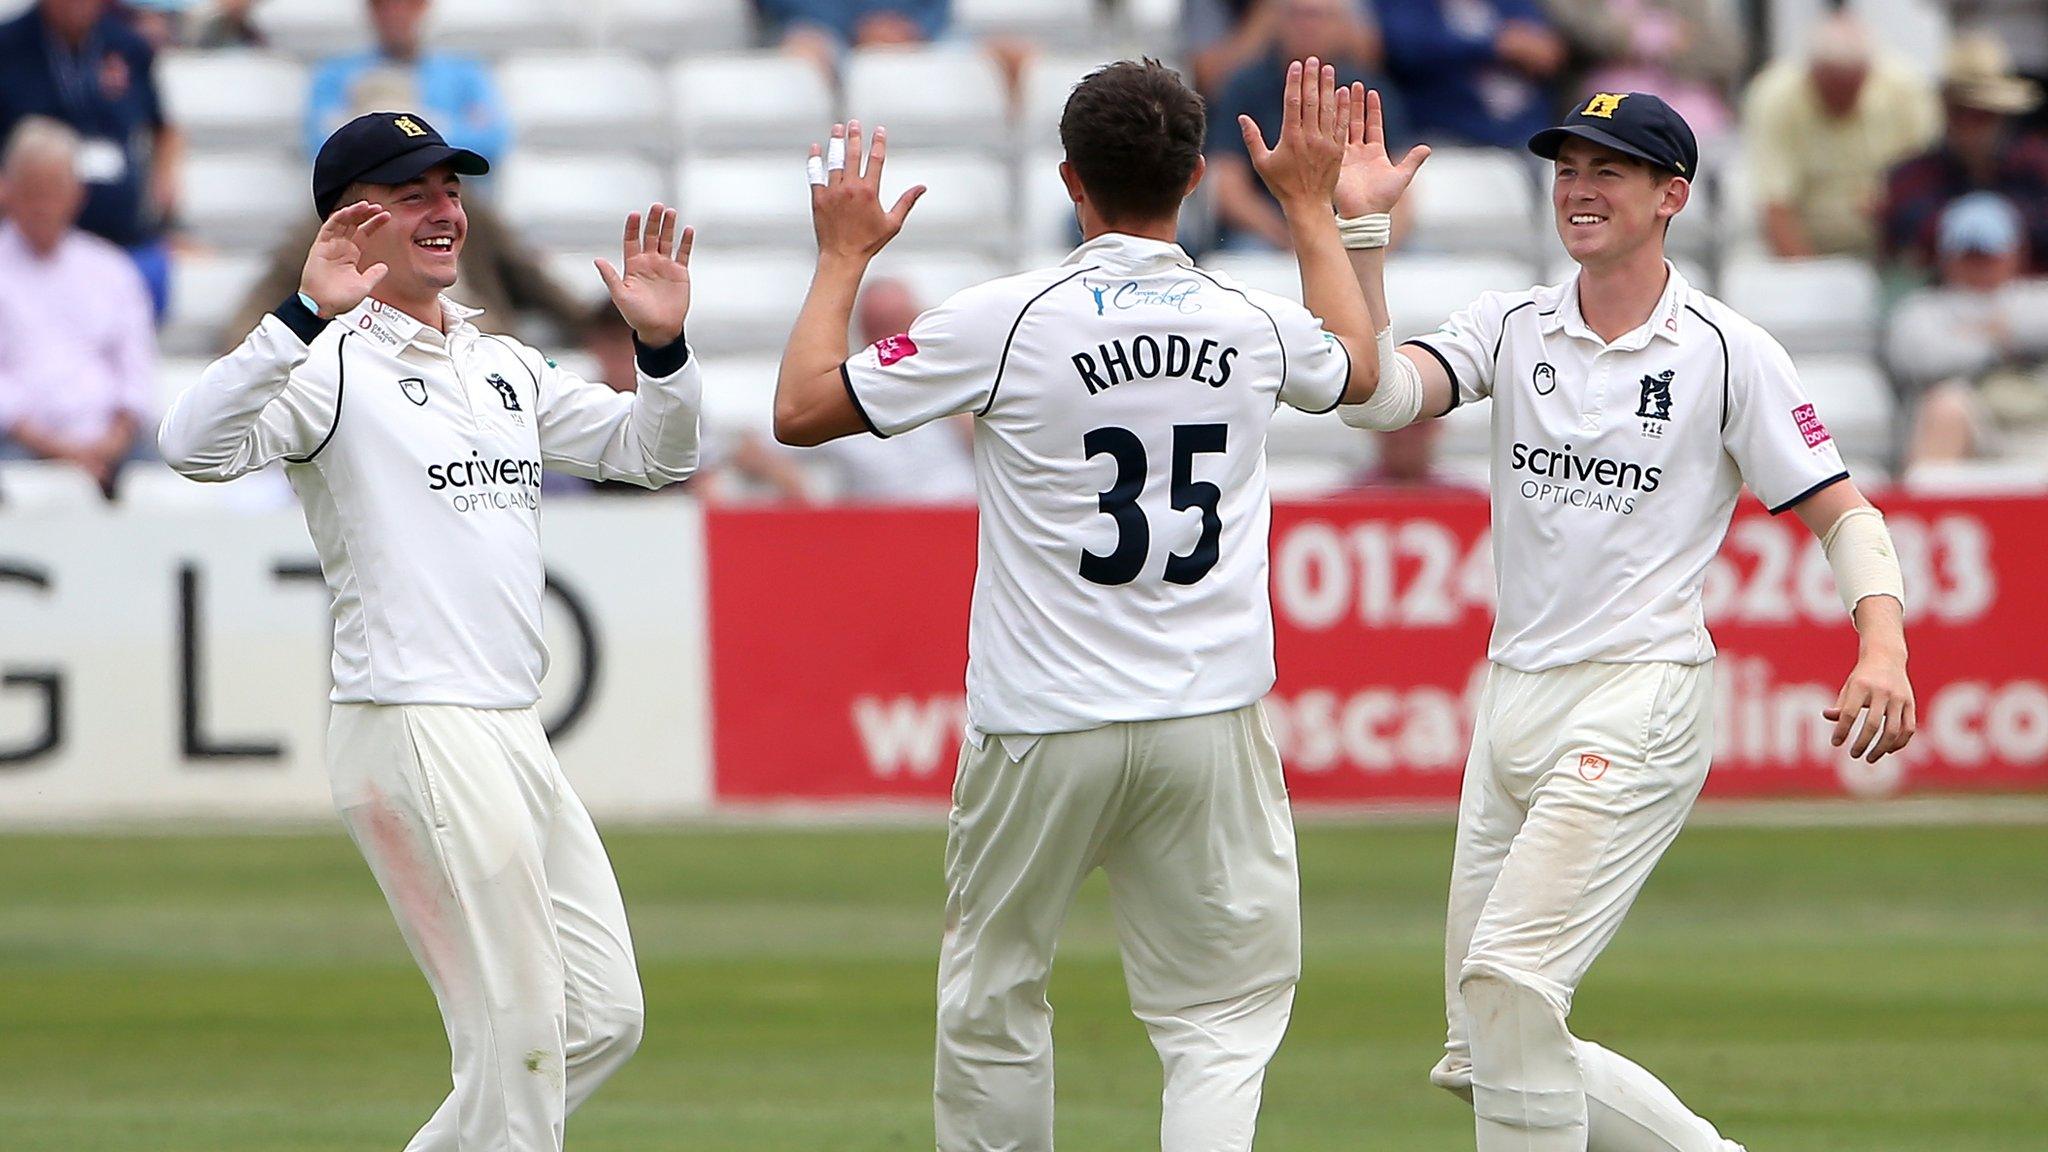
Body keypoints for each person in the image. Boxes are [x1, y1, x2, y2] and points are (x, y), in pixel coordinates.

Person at [773, 58, 1404, 1150]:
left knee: (995, 994)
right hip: (1209, 716)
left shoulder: (1007, 318)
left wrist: (840, 258)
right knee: (1217, 1017)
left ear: (1071, 180)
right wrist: (1311, 208)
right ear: (1199, 177)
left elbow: (801, 410)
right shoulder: (1245, 319)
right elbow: (1355, 365)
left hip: (1042, 723)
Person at [1336, 89, 1915, 1152]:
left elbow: (1842, 511)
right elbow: (1377, 400)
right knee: (1480, 1049)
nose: (1578, 189)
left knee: (1510, 986)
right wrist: (1360, 237)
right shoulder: (1509, 324)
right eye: (1565, 169)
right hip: (1511, 698)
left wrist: (1880, 642)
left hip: (1638, 694)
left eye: (1607, 170)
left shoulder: (1726, 349)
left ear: (1670, 197)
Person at [157, 111, 705, 1151]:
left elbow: (656, 453)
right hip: (412, 718)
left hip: (509, 726)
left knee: (598, 1017)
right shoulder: (325, 364)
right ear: (352, 222)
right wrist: (297, 318)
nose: (446, 213)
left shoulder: (499, 365)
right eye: (415, 195)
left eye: (450, 191)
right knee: (520, 1032)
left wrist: (662, 348)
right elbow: (190, 444)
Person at [0, 115, 156, 496]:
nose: (43, 206)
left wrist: (113, 440)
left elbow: (136, 369)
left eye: (54, 190)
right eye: (33, 191)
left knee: (176, 466)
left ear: (77, 194)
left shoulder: (111, 268)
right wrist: (59, 450)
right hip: (18, 445)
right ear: (9, 191)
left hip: (116, 446)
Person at [218, 195, 586, 356]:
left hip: (479, 345)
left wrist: (600, 327)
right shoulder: (322, 229)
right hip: (374, 358)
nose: (443, 209)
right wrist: (251, 351)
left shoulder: (468, 211)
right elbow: (267, 294)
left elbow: (527, 274)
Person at [0, 0, 182, 319]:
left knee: (151, 274)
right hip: (33, 234)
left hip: (118, 231)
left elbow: (162, 127)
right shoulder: (8, 47)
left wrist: (165, 183)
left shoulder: (127, 45)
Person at [1206, 0, 1404, 250]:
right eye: (1297, 15)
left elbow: (1399, 187)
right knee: (1247, 252)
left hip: (1350, 228)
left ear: (1341, 25)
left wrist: (1370, 239)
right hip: (1269, 233)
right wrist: (1290, 236)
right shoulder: (1243, 86)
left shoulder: (1369, 90)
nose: (1308, 25)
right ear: (1276, 22)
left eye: (1319, 16)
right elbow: (1227, 185)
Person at [1740, 11, 1939, 260]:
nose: (1841, 100)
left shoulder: (1906, 89)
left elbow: (1926, 178)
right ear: (1813, 73)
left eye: (1851, 88)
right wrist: (1812, 277)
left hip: (1892, 248)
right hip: (1808, 246)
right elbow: (1774, 204)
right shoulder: (1774, 97)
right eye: (1832, 88)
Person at [1892, 192, 2048, 467]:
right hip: (1979, 426)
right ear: (1946, 256)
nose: (1979, 264)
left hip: (2039, 423)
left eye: (1989, 254)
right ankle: (1932, 507)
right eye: (1968, 255)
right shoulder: (1921, 309)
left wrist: (1974, 334)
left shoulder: (2037, 295)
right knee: (1945, 406)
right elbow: (1926, 360)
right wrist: (1999, 341)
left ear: (2017, 251)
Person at [1882, 33, 2048, 276]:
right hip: (1942, 301)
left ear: (2001, 116)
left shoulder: (2037, 165)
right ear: (1946, 113)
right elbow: (1912, 230)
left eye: (1983, 115)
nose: (1971, 125)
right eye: (1960, 112)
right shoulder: (1912, 176)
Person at [807, 276, 976, 503]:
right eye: (882, 325)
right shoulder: (843, 393)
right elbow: (761, 443)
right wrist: (800, 493)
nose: (894, 335)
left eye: (902, 322)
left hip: (960, 520)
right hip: (880, 527)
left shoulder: (959, 379)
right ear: (865, 331)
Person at [304, 0, 507, 162]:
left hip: (451, 191)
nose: (396, 13)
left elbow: (491, 141)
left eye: (409, 3)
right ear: (370, 10)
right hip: (365, 196)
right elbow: (322, 145)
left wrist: (384, 134)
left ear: (426, 7)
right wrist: (430, 131)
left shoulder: (465, 74)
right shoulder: (334, 74)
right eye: (383, 4)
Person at [1544, 0, 1745, 142]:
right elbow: (1573, 36)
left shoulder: (1690, 5)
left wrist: (1674, 45)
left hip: (1685, 104)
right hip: (1604, 106)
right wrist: (1631, 38)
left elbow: (1726, 53)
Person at [1379, 0, 1565, 150]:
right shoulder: (1406, 7)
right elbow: (1404, 48)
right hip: (1446, 135)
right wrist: (1494, 45)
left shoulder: (1512, 4)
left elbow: (1546, 52)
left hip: (1527, 133)